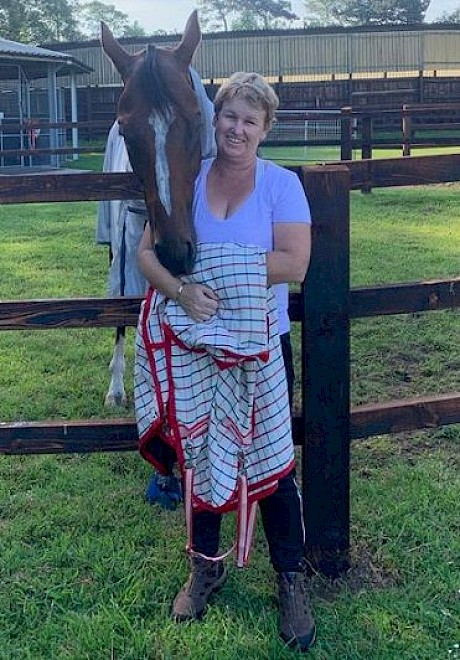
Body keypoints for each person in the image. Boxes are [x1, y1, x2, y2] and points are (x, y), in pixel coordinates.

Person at [135, 72, 315, 652]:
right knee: (201, 459)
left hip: (261, 348)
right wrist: (182, 293)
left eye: (249, 120)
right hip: (197, 349)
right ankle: (205, 568)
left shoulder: (280, 186)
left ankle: (291, 579)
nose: (237, 129)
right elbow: (146, 254)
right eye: (229, 116)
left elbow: (294, 264)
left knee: (275, 464)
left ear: (266, 128)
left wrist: (207, 267)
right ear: (215, 121)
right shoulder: (187, 181)